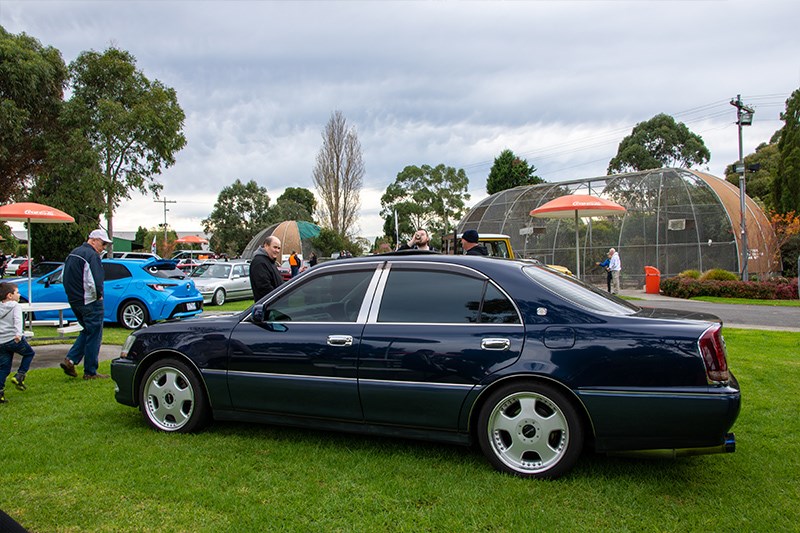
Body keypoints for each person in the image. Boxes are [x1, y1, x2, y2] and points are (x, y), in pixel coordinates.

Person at [61, 229, 112, 380]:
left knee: (88, 331)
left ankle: (70, 360)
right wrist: (99, 296)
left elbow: (65, 277)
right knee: (95, 334)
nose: (103, 247)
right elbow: (96, 280)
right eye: (103, 244)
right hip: (90, 301)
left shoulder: (74, 253)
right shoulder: (91, 256)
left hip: (75, 300)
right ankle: (90, 371)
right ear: (94, 240)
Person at [0, 282, 37, 403]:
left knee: (4, 368)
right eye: (17, 292)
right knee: (29, 354)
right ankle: (20, 375)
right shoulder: (15, 306)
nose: (19, 294)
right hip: (13, 339)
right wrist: (18, 334)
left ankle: (0, 392)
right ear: (9, 295)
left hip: (1, 342)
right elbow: (17, 320)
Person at [249, 236, 283, 301]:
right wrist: (278, 299)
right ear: (266, 246)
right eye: (275, 247)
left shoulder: (270, 262)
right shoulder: (259, 263)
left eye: (279, 248)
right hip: (268, 306)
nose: (277, 251)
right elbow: (264, 288)